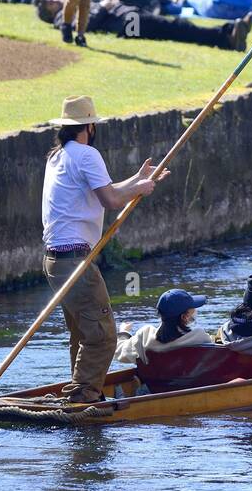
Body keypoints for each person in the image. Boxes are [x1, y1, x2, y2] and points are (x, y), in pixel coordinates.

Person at [42, 95, 169, 404]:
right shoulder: (87, 155)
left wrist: (139, 180)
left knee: (83, 334)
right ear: (90, 126)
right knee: (103, 336)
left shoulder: (58, 155)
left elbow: (105, 192)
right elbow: (111, 201)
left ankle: (80, 391)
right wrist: (140, 188)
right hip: (74, 261)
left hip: (54, 261)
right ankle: (84, 398)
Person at [35, 0, 252, 51]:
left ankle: (229, 34)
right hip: (127, 23)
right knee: (177, 27)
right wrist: (104, 6)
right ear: (49, 12)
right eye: (51, 2)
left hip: (127, 18)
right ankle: (229, 35)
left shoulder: (74, 5)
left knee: (177, 28)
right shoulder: (60, 18)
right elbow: (86, 25)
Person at [115, 289, 212, 366]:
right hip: (192, 387)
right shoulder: (200, 338)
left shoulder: (144, 338)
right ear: (184, 317)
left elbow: (119, 352)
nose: (195, 310)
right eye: (193, 308)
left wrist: (123, 332)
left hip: (158, 388)